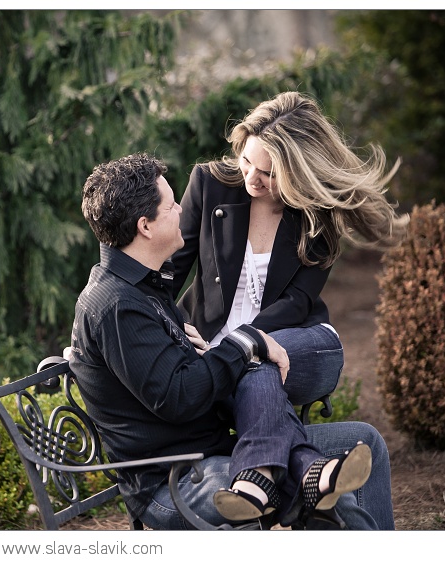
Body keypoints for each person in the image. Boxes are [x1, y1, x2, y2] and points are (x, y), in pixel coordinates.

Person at [67, 152, 395, 530]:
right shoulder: (117, 306)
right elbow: (181, 396)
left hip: (217, 450)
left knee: (363, 441)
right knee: (333, 500)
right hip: (178, 479)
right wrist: (244, 343)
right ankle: (298, 476)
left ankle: (296, 473)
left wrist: (221, 357)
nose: (181, 210)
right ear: (146, 226)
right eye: (171, 205)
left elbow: (181, 378)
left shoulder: (145, 286)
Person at [173, 91, 411, 410]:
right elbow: (171, 269)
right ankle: (307, 460)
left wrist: (242, 342)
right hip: (206, 339)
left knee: (260, 368)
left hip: (282, 336)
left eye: (269, 174)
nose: (251, 179)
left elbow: (297, 301)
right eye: (246, 161)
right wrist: (172, 322)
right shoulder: (208, 183)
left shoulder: (317, 215)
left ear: (297, 172)